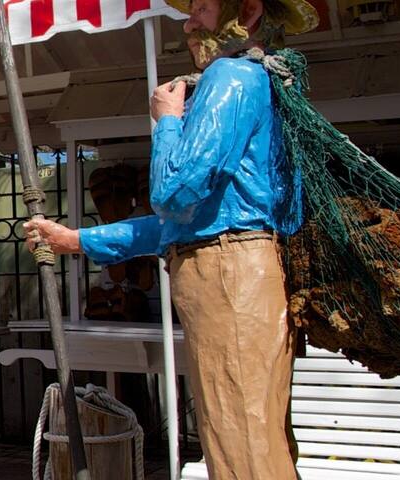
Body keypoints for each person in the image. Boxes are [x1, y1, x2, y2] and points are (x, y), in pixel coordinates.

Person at [24, 0, 317, 478]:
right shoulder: (259, 81)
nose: (188, 21)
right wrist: (77, 239)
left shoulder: (231, 77)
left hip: (228, 278)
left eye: (201, 7)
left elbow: (175, 194)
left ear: (248, 9)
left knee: (241, 446)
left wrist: (166, 122)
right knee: (247, 440)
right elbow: (183, 223)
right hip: (235, 270)